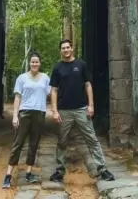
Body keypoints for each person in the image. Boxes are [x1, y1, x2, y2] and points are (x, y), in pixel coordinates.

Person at [49, 38, 115, 183]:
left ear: (72, 49)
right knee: (62, 141)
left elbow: (88, 85)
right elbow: (53, 90)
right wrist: (54, 110)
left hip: (81, 109)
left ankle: (102, 169)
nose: (66, 50)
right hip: (64, 111)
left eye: (68, 47)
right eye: (63, 48)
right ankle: (60, 171)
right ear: (60, 50)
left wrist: (91, 105)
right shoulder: (57, 68)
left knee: (92, 139)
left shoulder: (81, 65)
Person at [2, 52, 50, 189]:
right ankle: (8, 175)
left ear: (40, 63)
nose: (34, 64)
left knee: (34, 143)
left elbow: (51, 93)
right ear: (30, 63)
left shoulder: (45, 78)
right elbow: (17, 97)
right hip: (25, 112)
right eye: (32, 62)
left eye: (37, 62)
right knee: (18, 143)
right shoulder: (22, 78)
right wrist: (15, 115)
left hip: (39, 113)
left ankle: (29, 172)